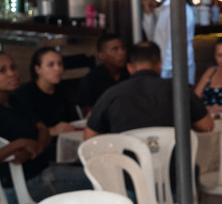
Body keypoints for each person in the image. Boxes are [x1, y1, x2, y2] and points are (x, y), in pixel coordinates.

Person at [0, 52, 91, 201]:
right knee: (102, 178)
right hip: (21, 186)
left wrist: (37, 148)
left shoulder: (14, 101)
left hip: (43, 170)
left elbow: (43, 129)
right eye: (2, 71)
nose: (12, 73)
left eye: (13, 68)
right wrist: (16, 146)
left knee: (97, 171)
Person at [84, 43, 213, 138]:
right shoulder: (178, 89)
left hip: (129, 171)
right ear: (160, 65)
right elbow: (207, 126)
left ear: (129, 67)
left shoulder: (112, 93)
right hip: (176, 171)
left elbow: (89, 136)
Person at [12, 48, 79, 137]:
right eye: (51, 65)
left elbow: (73, 120)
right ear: (38, 69)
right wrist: (51, 130)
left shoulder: (62, 90)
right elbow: (23, 130)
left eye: (60, 64)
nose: (58, 68)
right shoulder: (24, 94)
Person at [141, 0, 196, 83]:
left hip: (175, 73)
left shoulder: (178, 9)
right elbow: (152, 38)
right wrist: (148, 13)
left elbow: (174, 46)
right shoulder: (161, 10)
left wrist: (163, 75)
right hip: (163, 70)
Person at [76, 33, 130, 113]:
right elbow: (88, 110)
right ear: (102, 55)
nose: (122, 53)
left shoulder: (131, 73)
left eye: (123, 48)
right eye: (115, 49)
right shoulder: (91, 80)